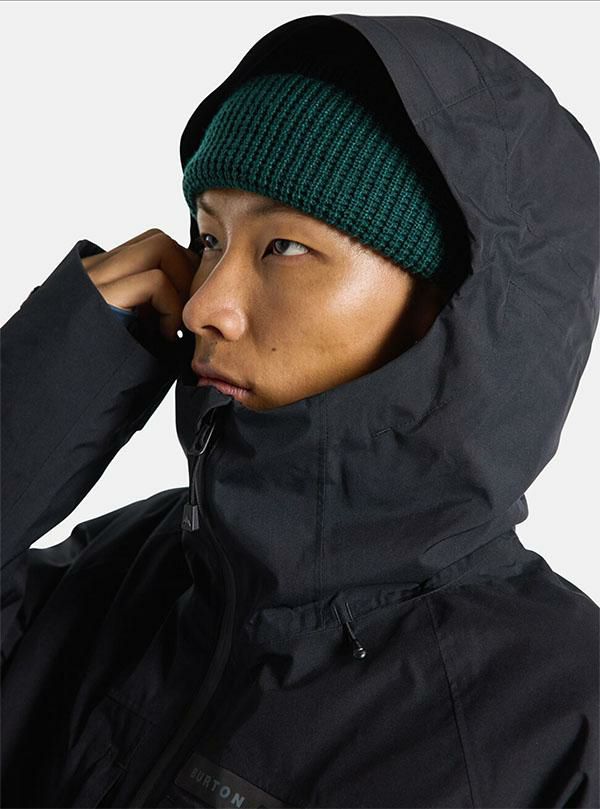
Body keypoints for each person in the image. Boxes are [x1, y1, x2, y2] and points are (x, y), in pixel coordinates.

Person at [1, 12, 598, 809]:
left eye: (284, 247)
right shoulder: (124, 572)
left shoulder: (561, 723)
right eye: (208, 240)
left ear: (449, 310)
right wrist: (47, 375)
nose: (203, 304)